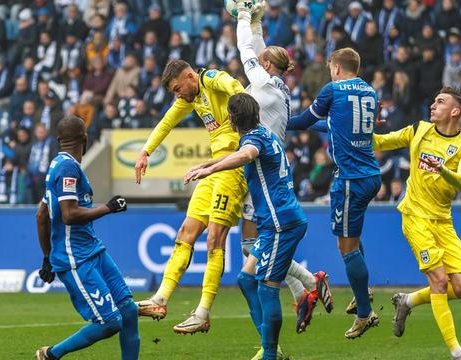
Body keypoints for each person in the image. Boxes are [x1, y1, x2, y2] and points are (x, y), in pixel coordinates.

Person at [235, 0, 332, 337]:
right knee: (257, 250)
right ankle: (303, 290)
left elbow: (245, 46)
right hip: (272, 165)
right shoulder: (276, 84)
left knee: (253, 250)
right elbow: (259, 48)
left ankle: (308, 282)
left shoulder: (261, 84)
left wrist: (244, 16)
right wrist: (259, 20)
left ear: (265, 65)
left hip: (261, 167)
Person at [184, 93, 307, 360]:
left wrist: (209, 171)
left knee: (267, 286)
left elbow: (245, 155)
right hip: (277, 220)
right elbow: (239, 153)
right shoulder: (263, 132)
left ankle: (271, 354)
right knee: (246, 279)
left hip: (279, 223)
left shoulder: (253, 141)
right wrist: (207, 164)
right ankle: (270, 344)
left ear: (231, 118)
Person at [134, 59, 248, 334]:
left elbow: (234, 86)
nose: (178, 95)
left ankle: (202, 312)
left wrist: (242, 113)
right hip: (213, 167)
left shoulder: (210, 80)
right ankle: (160, 299)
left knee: (214, 238)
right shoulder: (191, 98)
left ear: (189, 76)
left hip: (233, 166)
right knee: (186, 231)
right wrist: (145, 152)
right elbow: (166, 122)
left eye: (177, 89)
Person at [373, 87, 461, 360]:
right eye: (433, 101)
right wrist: (360, 130)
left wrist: (442, 169)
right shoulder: (419, 129)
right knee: (440, 281)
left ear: (455, 111)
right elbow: (381, 142)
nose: (433, 105)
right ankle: (457, 352)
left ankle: (407, 300)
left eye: (440, 102)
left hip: (443, 220)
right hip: (415, 216)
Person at [287, 47, 381, 339]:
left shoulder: (333, 89)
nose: (330, 72)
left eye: (330, 68)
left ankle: (365, 313)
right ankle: (363, 291)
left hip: (351, 179)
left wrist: (276, 122)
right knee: (352, 240)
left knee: (346, 248)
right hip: (370, 175)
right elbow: (332, 125)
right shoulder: (369, 91)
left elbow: (303, 121)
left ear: (337, 68)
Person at [34, 115, 139, 360]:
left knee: (129, 310)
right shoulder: (67, 167)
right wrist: (109, 207)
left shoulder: (58, 166)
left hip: (93, 251)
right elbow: (69, 214)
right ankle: (51, 354)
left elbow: (41, 214)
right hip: (76, 259)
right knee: (109, 322)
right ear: (85, 139)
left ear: (59, 140)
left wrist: (47, 258)